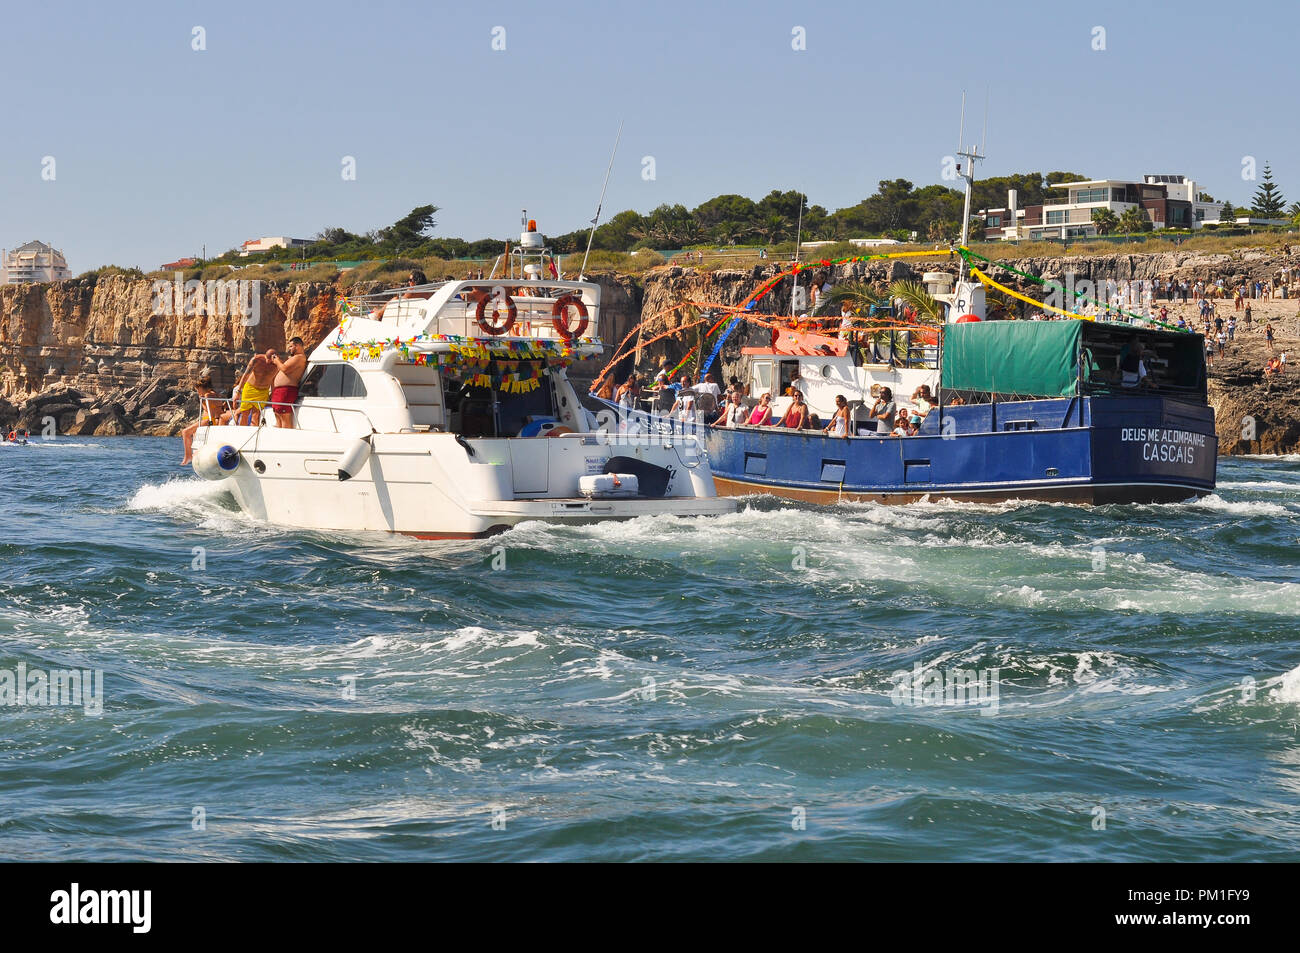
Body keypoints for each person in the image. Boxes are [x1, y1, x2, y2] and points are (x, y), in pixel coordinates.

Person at [220, 352, 276, 426]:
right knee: (245, 413)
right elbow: (245, 375)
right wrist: (238, 392)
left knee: (256, 414)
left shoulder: (276, 365)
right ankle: (242, 432)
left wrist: (273, 393)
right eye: (267, 359)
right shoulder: (256, 360)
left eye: (270, 360)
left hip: (263, 391)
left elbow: (273, 379)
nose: (268, 362)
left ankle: (253, 433)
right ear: (265, 356)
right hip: (250, 388)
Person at [180, 376, 221, 465]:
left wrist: (212, 423)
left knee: (185, 432)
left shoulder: (208, 395)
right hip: (209, 419)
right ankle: (198, 453)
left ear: (203, 387)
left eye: (198, 389)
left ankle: (188, 456)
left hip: (210, 420)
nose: (197, 392)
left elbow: (211, 412)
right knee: (194, 433)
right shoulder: (214, 394)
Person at [268, 337, 307, 428]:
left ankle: (286, 438)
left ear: (297, 346)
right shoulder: (294, 358)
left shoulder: (300, 357)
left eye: (290, 346)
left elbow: (285, 369)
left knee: (284, 416)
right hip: (280, 391)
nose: (289, 349)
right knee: (277, 414)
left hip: (286, 391)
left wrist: (277, 361)